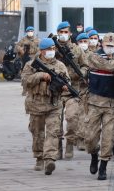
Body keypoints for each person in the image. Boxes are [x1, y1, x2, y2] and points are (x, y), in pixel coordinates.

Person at [21, 38, 70, 175]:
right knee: (37, 133)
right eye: (49, 49)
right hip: (36, 105)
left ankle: (49, 159)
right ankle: (39, 158)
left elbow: (67, 80)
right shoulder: (31, 65)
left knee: (53, 132)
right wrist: (41, 75)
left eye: (53, 49)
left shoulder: (60, 65)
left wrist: (65, 87)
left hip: (54, 105)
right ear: (42, 51)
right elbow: (25, 81)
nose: (51, 51)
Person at [85, 33, 114, 180]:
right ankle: (94, 155)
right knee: (91, 137)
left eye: (112, 46)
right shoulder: (94, 56)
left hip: (112, 103)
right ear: (101, 45)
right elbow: (110, 67)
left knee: (108, 137)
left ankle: (103, 165)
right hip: (94, 102)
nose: (109, 48)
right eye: (107, 45)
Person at [55, 21, 87, 159]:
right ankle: (57, 148)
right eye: (61, 32)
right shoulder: (51, 48)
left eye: (65, 32)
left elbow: (85, 66)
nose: (63, 35)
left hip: (72, 89)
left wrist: (80, 73)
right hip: (55, 90)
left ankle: (69, 142)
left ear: (70, 34)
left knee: (73, 118)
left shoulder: (76, 49)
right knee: (55, 122)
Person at [75, 33, 90, 151]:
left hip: (91, 89)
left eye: (86, 41)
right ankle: (80, 138)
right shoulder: (75, 55)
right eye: (81, 41)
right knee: (80, 114)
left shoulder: (94, 55)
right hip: (78, 88)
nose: (84, 43)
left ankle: (88, 138)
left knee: (90, 116)